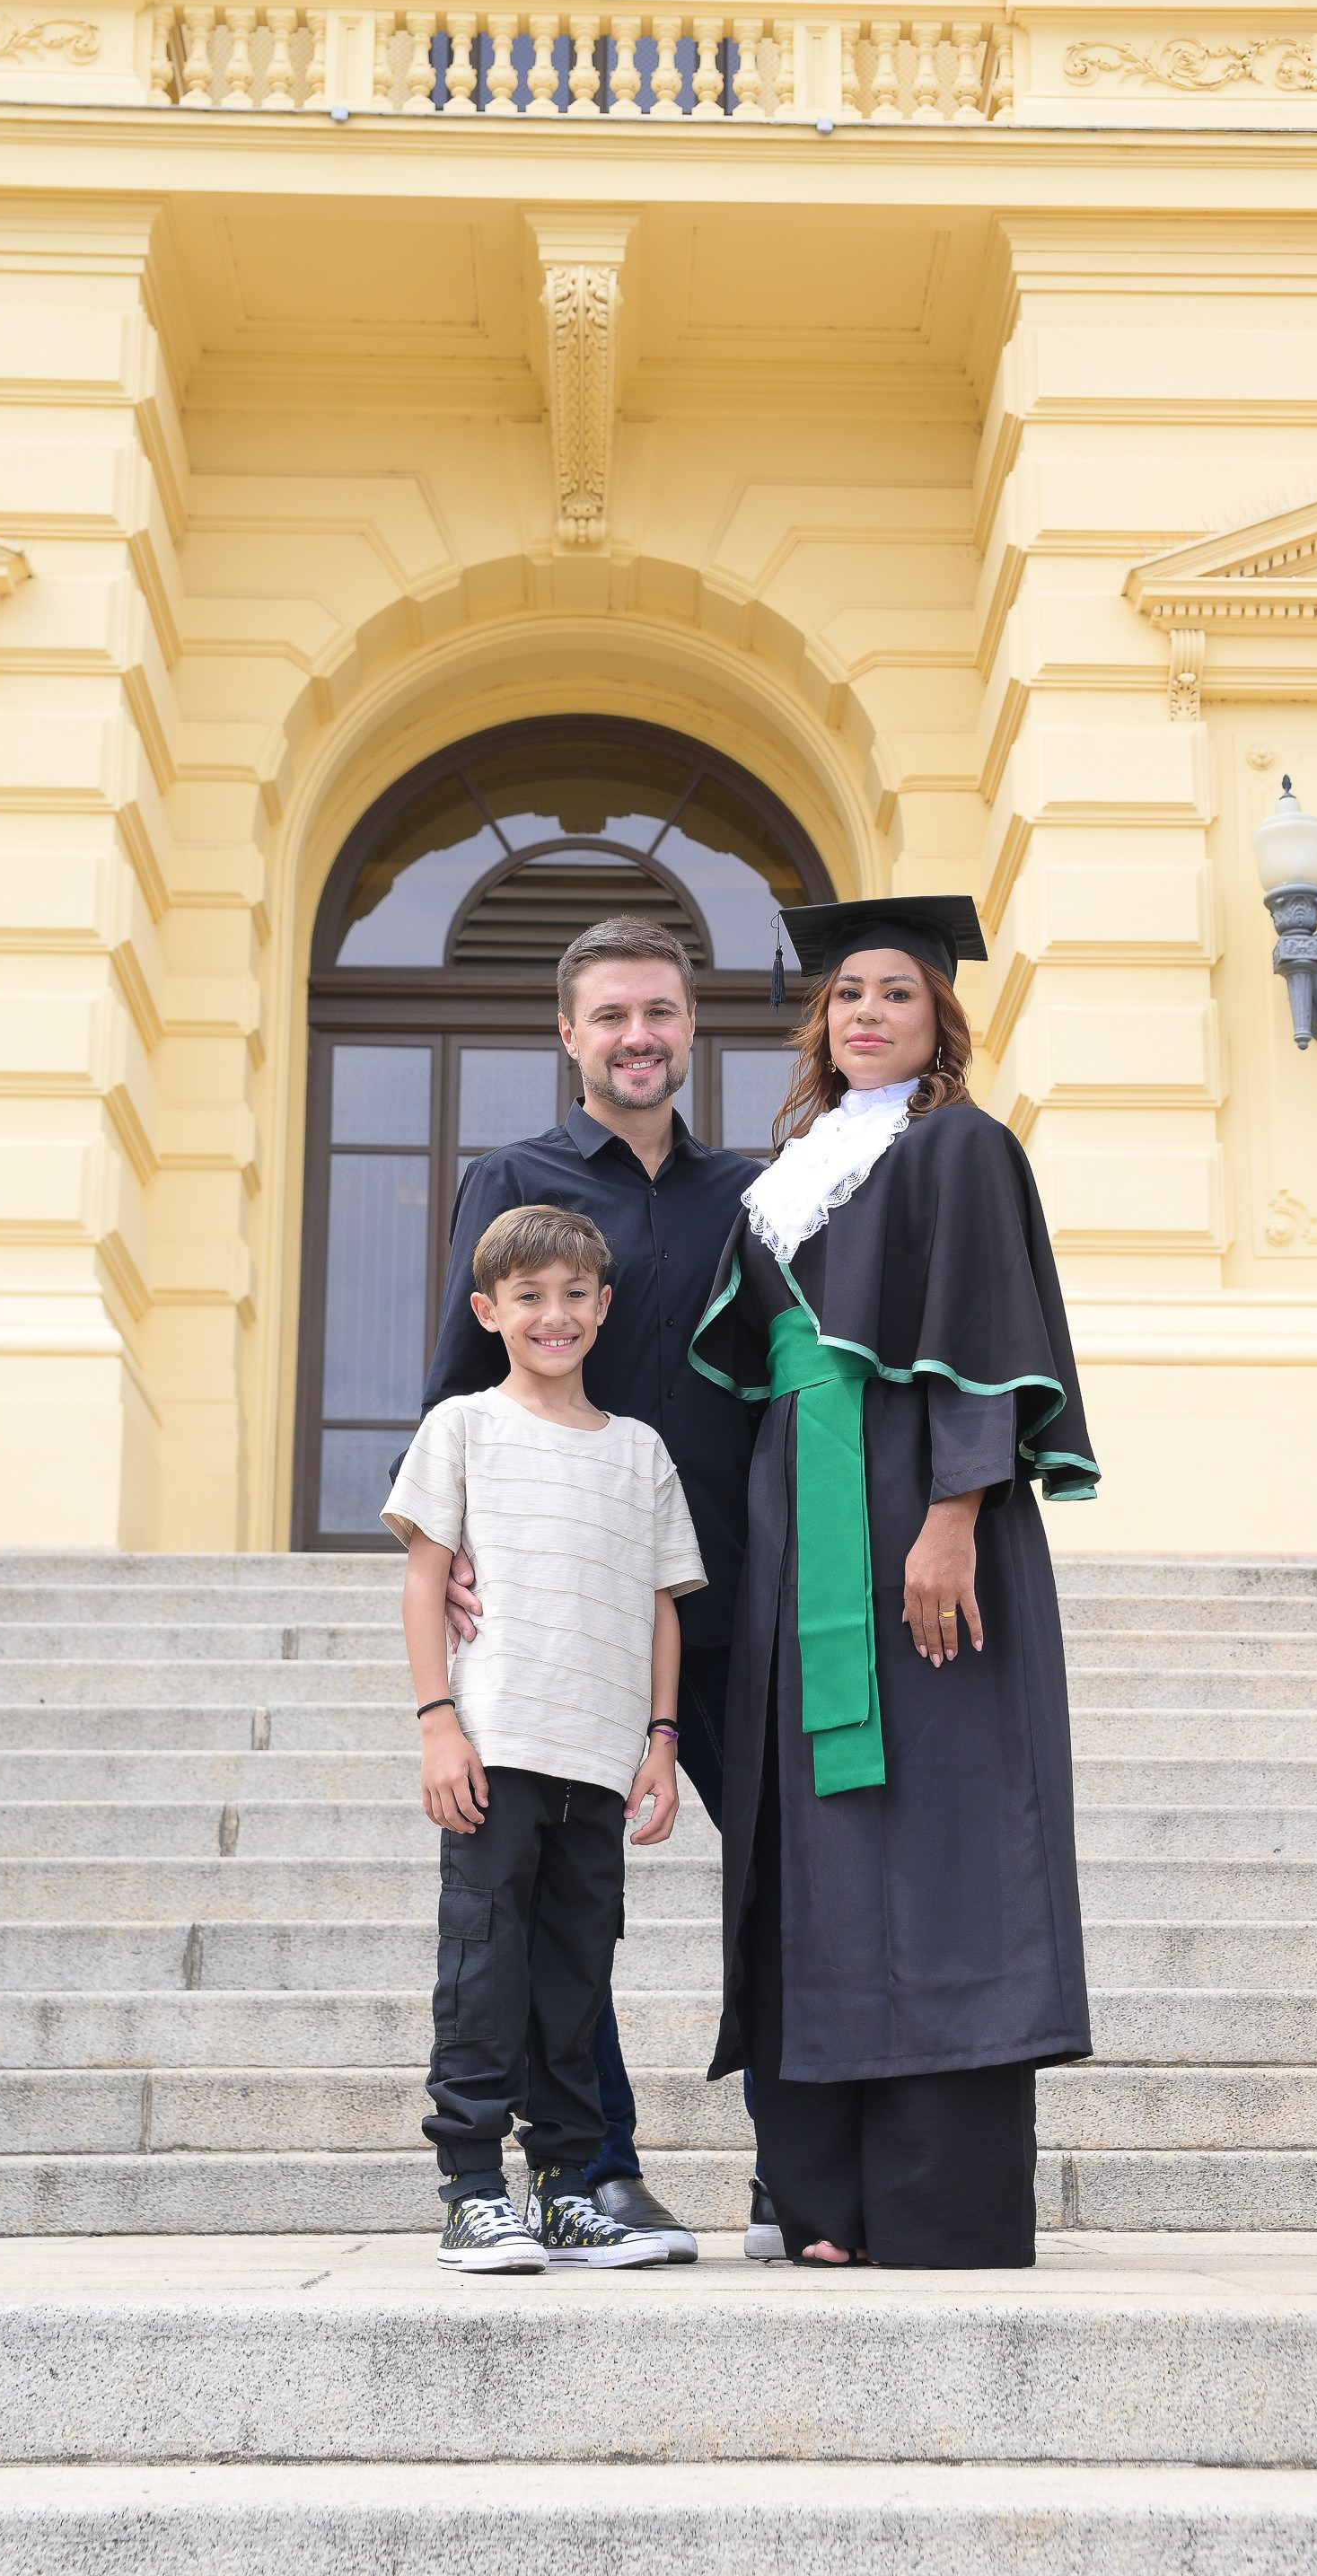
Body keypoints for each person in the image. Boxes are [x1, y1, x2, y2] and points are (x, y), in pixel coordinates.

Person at [690, 894, 1098, 2270]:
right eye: (847, 994)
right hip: (798, 1518)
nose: (865, 1012)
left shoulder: (961, 1149)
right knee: (808, 1838)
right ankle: (820, 2199)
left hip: (908, 1512)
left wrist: (951, 1519)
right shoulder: (794, 1166)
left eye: (897, 995)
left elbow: (984, 1327)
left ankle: (932, 2202)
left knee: (936, 1843)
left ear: (940, 1023)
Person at [416, 915, 775, 2262]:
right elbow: (461, 1376)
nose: (639, 1038)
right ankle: (593, 2169)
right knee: (567, 1898)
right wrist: (449, 1558)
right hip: (560, 1612)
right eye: (612, 1016)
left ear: (692, 1029)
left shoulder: (748, 1191)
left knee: (777, 1875)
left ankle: (797, 2162)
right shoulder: (513, 1177)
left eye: (662, 1014)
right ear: (569, 1035)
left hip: (725, 1586)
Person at [384, 1201, 707, 2273]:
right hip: (494, 1745)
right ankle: (472, 2190)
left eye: (574, 1295)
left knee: (574, 1977)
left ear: (604, 1307)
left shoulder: (640, 1452)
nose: (554, 1315)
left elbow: (665, 1603)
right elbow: (425, 1579)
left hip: (599, 1759)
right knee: (483, 1965)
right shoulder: (464, 1428)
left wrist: (659, 1742)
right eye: (529, 1297)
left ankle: (568, 2187)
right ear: (488, 1311)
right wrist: (438, 1723)